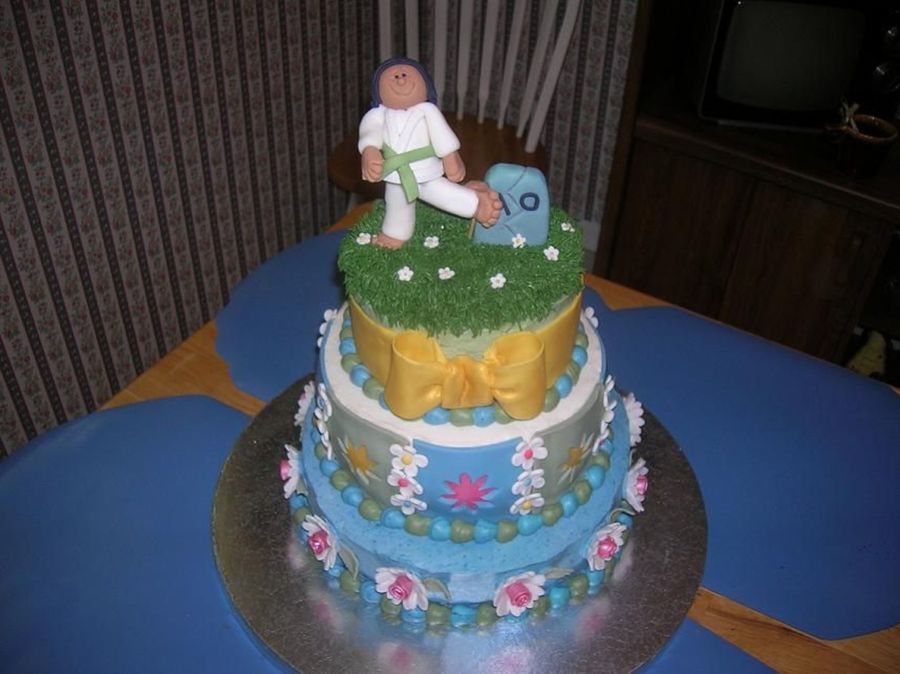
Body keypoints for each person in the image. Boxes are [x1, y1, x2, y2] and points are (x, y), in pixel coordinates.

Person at [359, 57, 502, 249]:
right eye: (394, 76)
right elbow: (369, 131)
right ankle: (395, 234)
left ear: (426, 87)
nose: (400, 79)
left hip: (424, 169)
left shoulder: (428, 111)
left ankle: (476, 203)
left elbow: (441, 134)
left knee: (439, 193)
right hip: (395, 172)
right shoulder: (378, 114)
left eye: (405, 74)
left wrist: (450, 156)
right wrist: (369, 150)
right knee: (396, 201)